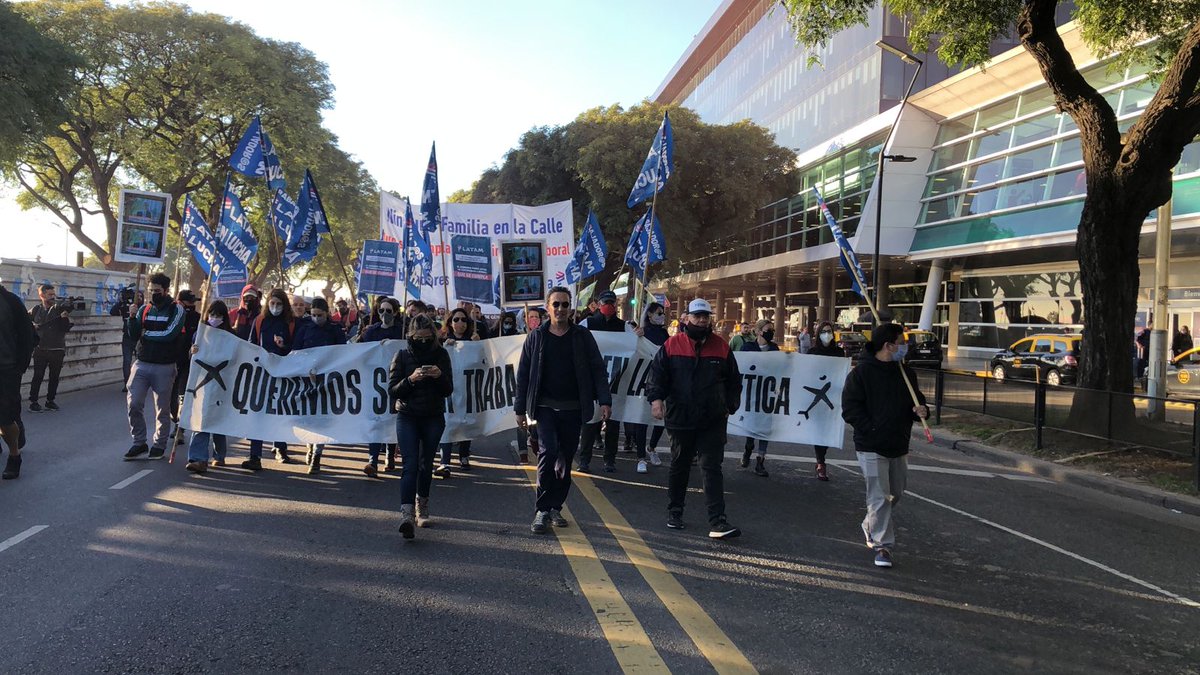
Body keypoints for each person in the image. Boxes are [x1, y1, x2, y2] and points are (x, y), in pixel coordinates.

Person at [515, 286, 611, 534]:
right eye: (555, 304)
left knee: (565, 458)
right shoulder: (536, 337)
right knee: (549, 452)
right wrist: (519, 408)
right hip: (545, 407)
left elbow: (598, 369)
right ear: (548, 308)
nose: (560, 309)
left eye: (565, 304)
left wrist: (604, 400)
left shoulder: (582, 337)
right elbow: (523, 374)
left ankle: (556, 506)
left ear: (571, 308)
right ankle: (542, 510)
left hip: (574, 408)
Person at [647, 298, 742, 539]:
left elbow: (734, 380)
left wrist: (731, 404)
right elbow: (657, 376)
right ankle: (675, 511)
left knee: (711, 467)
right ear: (687, 318)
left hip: (712, 419)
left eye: (705, 316)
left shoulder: (721, 347)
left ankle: (718, 521)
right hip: (681, 418)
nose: (701, 320)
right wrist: (656, 400)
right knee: (680, 465)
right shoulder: (671, 345)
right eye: (697, 316)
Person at [841, 322, 929, 569]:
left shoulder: (905, 373)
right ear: (888, 346)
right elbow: (850, 409)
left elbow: (917, 403)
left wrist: (921, 411)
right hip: (870, 445)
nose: (906, 346)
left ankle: (870, 524)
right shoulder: (861, 374)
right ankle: (883, 546)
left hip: (898, 443)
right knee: (879, 496)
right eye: (902, 343)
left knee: (895, 493)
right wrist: (871, 428)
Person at [390, 314, 454, 538]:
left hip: (433, 417)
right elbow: (392, 389)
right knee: (410, 464)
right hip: (407, 416)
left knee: (426, 464)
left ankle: (422, 505)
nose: (424, 342)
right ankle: (406, 514)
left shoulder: (442, 355)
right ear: (410, 336)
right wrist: (411, 379)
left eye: (428, 338)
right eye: (419, 338)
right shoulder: (402, 355)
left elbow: (448, 390)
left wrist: (438, 376)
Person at [123, 273, 185, 461]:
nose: (153, 294)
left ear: (166, 291)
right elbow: (133, 335)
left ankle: (159, 444)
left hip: (165, 366)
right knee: (133, 404)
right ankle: (139, 442)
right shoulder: (144, 309)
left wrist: (146, 334)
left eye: (157, 291)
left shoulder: (177, 309)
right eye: (150, 291)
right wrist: (132, 318)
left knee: (162, 409)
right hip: (142, 363)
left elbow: (170, 334)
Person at [292, 297, 347, 474]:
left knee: (322, 419)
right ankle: (310, 445)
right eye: (313, 315)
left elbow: (343, 354)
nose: (316, 318)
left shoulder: (335, 330)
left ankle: (317, 455)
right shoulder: (304, 328)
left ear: (327, 313)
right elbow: (296, 351)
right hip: (306, 379)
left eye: (320, 315)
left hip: (327, 381)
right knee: (308, 418)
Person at [242, 289, 296, 470]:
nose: (275, 307)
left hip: (283, 374)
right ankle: (254, 455)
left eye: (279, 304)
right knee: (257, 413)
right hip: (262, 372)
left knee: (279, 412)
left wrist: (284, 346)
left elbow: (296, 348)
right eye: (272, 303)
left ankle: (280, 448)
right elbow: (251, 345)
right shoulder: (260, 321)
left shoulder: (290, 323)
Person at [184, 301, 234, 474]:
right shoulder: (200, 334)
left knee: (217, 420)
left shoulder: (231, 336)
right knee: (202, 419)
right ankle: (198, 458)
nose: (214, 319)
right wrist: (193, 351)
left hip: (222, 386)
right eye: (212, 315)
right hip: (203, 385)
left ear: (224, 317)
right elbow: (193, 358)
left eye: (218, 315)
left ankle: (219, 455)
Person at [578, 290, 624, 473]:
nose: (609, 305)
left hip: (615, 382)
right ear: (597, 303)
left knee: (613, 424)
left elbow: (637, 343)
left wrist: (639, 332)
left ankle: (610, 460)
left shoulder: (624, 326)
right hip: (591, 381)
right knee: (589, 423)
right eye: (606, 301)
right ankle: (584, 460)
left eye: (613, 302)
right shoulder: (587, 323)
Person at [361, 296, 405, 476]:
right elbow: (361, 352)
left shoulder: (401, 332)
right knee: (376, 420)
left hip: (395, 380)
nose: (384, 314)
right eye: (381, 310)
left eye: (388, 311)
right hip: (375, 382)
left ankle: (389, 454)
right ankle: (372, 459)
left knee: (392, 419)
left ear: (395, 312)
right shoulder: (371, 331)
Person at [627, 302, 670, 473]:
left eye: (663, 313)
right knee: (642, 418)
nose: (662, 316)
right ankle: (641, 458)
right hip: (643, 381)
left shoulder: (664, 333)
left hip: (661, 381)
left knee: (661, 418)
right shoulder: (641, 333)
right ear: (650, 315)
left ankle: (651, 448)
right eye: (659, 313)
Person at [1, 276, 36, 479]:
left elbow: (26, 336)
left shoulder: (11, 302)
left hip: (6, 369)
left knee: (5, 418)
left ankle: (14, 455)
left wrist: (19, 367)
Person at [437, 307, 479, 475]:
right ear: (450, 323)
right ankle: (444, 461)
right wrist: (444, 348)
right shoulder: (443, 343)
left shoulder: (474, 341)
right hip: (450, 391)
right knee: (447, 423)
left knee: (466, 421)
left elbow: (483, 364)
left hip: (468, 390)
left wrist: (478, 346)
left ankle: (464, 455)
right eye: (456, 319)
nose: (459, 323)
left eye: (463, 319)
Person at [740, 319, 779, 478]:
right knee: (752, 425)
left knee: (764, 427)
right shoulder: (748, 348)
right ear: (760, 331)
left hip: (768, 394)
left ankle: (760, 460)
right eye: (769, 329)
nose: (771, 332)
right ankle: (748, 448)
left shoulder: (775, 349)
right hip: (752, 393)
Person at [806, 321, 844, 481]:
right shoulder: (812, 352)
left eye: (830, 331)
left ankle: (821, 458)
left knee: (828, 428)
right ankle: (821, 462)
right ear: (818, 333)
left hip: (833, 395)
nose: (827, 334)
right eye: (824, 331)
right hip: (817, 395)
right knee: (819, 429)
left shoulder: (839, 353)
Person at [28, 284, 73, 412]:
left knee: (54, 377)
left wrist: (65, 318)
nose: (53, 297)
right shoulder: (36, 309)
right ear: (42, 295)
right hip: (40, 349)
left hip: (57, 350)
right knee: (38, 376)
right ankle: (34, 402)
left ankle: (50, 401)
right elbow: (25, 320)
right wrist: (33, 325)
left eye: (54, 294)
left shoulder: (59, 309)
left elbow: (65, 328)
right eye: (50, 294)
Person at [169, 289, 201, 440]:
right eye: (190, 302)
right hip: (171, 362)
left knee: (183, 396)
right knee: (170, 397)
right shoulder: (172, 315)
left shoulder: (198, 319)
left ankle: (179, 429)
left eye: (194, 302)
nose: (193, 305)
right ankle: (174, 419)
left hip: (188, 364)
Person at [110, 287, 141, 391]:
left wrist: (137, 303)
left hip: (138, 337)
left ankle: (138, 382)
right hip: (127, 337)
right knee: (126, 361)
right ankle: (127, 384)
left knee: (139, 361)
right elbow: (112, 311)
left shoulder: (139, 305)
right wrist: (121, 303)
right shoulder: (122, 306)